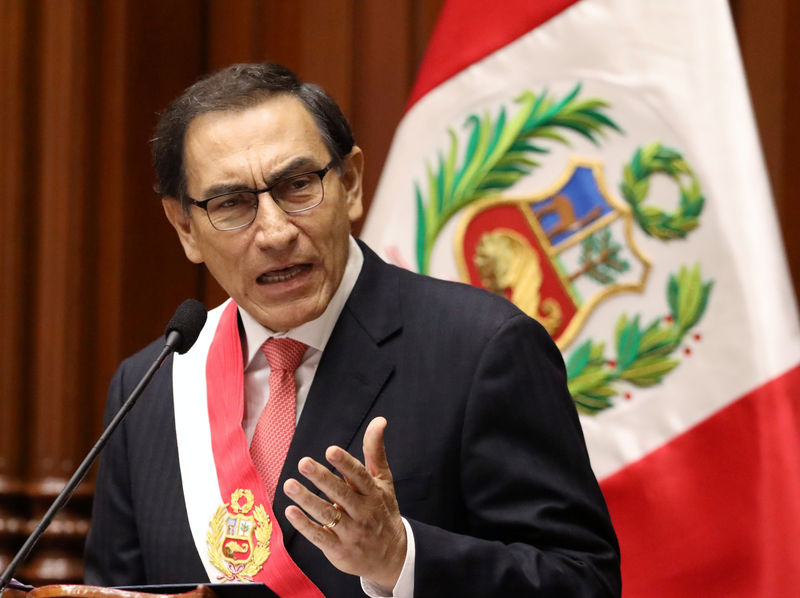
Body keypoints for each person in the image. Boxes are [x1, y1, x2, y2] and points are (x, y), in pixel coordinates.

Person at [84, 62, 621, 597]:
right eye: (232, 204)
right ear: (185, 228)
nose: (274, 232)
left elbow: (582, 580)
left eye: (297, 186)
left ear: (351, 183)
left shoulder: (483, 349)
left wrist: (401, 559)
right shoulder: (150, 388)